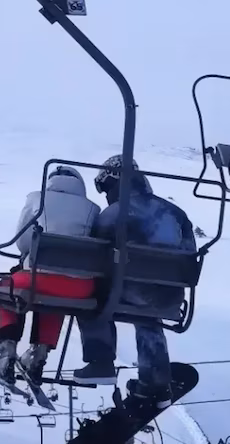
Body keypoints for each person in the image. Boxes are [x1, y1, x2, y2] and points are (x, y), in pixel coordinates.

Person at [74, 155, 197, 407]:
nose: (106, 195)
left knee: (88, 296)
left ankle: (101, 360)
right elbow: (190, 254)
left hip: (127, 291)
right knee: (148, 318)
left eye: (105, 187)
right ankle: (156, 381)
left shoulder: (113, 214)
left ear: (115, 181)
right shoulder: (175, 213)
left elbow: (96, 257)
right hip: (170, 296)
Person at [0, 166, 100, 383]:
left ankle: (6, 351)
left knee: (7, 289)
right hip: (80, 288)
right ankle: (38, 354)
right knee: (56, 299)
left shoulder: (36, 199)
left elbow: (22, 242)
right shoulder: (93, 209)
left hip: (39, 279)